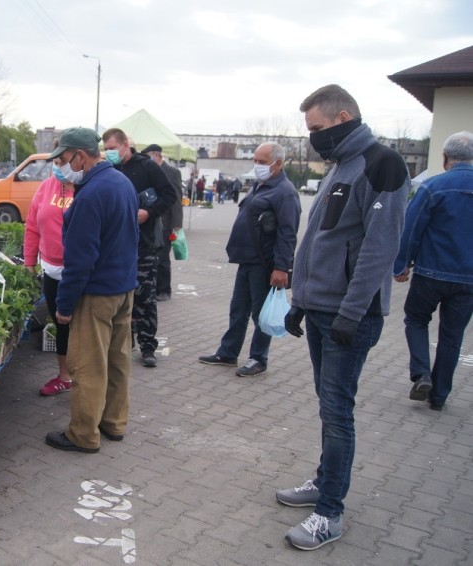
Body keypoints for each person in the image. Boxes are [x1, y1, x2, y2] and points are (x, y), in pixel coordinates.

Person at [278, 84, 409, 550]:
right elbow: (320, 241)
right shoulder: (342, 165)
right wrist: (299, 302)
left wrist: (351, 313)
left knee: (337, 413)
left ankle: (330, 512)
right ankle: (324, 481)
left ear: (343, 116)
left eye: (316, 128)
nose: (313, 137)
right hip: (321, 309)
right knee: (327, 405)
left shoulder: (383, 165)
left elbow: (379, 249)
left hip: (348, 316)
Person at [43, 127, 139, 453]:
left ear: (80, 156)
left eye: (65, 160)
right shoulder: (122, 183)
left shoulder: (91, 195)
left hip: (96, 294)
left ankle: (83, 434)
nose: (62, 167)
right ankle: (113, 423)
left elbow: (79, 261)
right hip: (123, 289)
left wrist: (65, 306)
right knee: (117, 361)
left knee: (88, 366)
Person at [198, 142, 300, 377]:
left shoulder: (285, 192)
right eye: (255, 160)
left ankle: (258, 357)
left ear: (278, 163)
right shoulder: (261, 185)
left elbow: (288, 233)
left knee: (259, 314)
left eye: (262, 162)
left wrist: (282, 267)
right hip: (247, 260)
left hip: (264, 264)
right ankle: (228, 352)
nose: (257, 166)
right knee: (238, 309)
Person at [392, 131, 473, 411]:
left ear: (445, 157)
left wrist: (402, 265)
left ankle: (421, 373)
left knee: (415, 319)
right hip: (468, 280)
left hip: (431, 272)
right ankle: (438, 396)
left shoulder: (433, 187)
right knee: (452, 336)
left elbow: (412, 228)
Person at [102, 128, 176, 367]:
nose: (109, 153)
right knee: (123, 297)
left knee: (145, 297)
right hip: (117, 246)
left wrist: (149, 212)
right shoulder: (109, 169)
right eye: (106, 149)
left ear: (125, 145)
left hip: (143, 245)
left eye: (112, 148)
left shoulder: (147, 167)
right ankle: (126, 343)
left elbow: (169, 195)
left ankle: (147, 347)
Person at [24, 147, 77, 396]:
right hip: (52, 270)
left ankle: (86, 379)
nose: (58, 166)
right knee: (60, 324)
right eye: (55, 162)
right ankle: (64, 377)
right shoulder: (45, 187)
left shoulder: (85, 187)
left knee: (82, 326)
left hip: (78, 271)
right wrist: (29, 260)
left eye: (62, 161)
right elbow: (32, 226)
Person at [141, 144, 184, 302]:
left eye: (148, 156)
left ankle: (164, 290)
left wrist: (177, 223)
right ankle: (154, 288)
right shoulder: (149, 170)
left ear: (156, 155)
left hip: (166, 222)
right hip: (151, 220)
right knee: (153, 256)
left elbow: (176, 198)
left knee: (163, 257)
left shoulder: (172, 172)